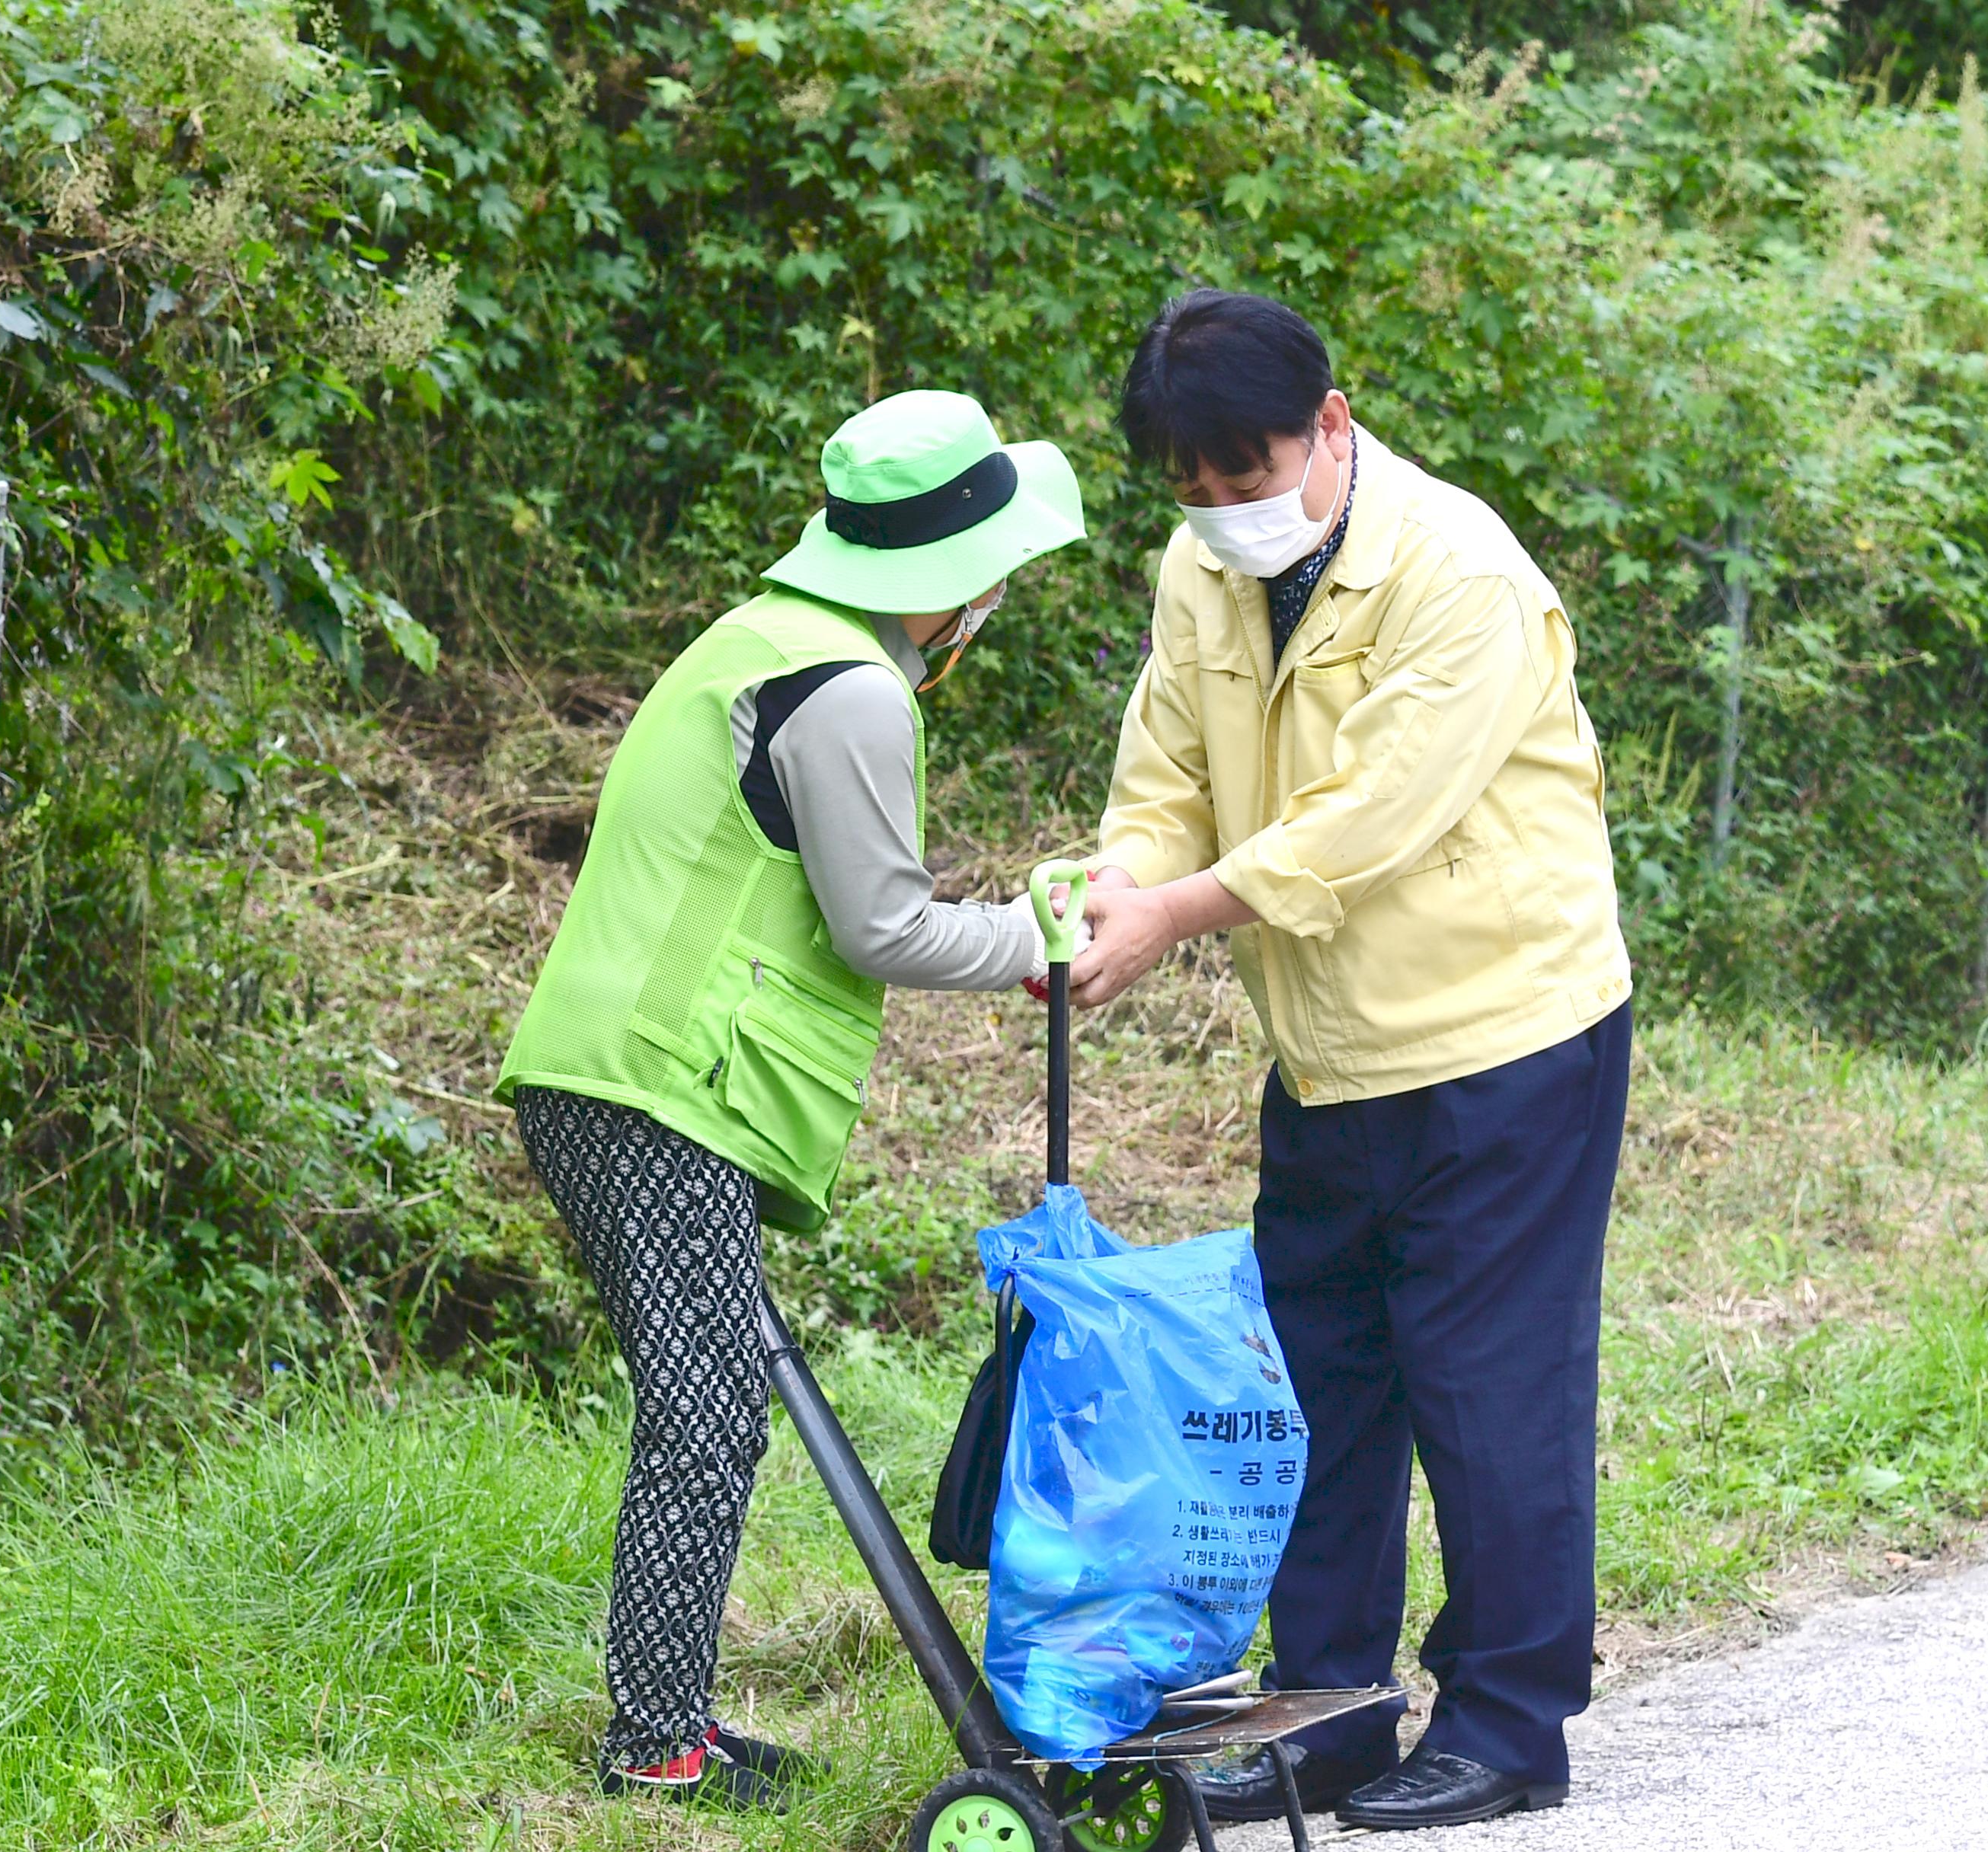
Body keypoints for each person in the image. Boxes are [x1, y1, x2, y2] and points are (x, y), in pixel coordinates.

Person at [1073, 290, 1632, 1831]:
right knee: (1320, 1388)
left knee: (1486, 1383)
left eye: (1242, 477)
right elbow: (1166, 768)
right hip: (1326, 1051)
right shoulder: (1200, 571)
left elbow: (1375, 816)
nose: (1218, 514)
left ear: (1329, 426)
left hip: (1501, 1035)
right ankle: (1332, 1714)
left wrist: (1178, 913)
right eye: (1188, 490)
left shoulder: (1458, 571)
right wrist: (1125, 880)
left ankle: (1512, 1725)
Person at [494, 390, 1086, 1810]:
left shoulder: (769, 638)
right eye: (995, 565)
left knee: (709, 1394)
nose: (1002, 590)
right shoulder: (854, 689)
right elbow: (881, 927)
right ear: (953, 578)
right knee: (706, 1405)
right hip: (659, 1084)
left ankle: (669, 1722)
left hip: (617, 1074)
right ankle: (655, 1750)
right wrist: (1036, 938)